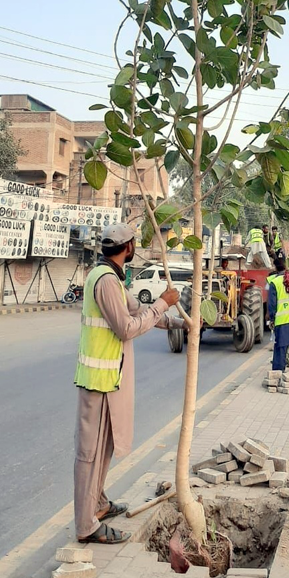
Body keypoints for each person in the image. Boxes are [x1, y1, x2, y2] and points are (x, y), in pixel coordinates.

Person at [73, 223, 182, 544]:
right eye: (133, 243)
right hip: (97, 380)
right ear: (128, 248)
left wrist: (179, 321)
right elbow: (126, 327)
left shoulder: (112, 279)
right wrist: (163, 302)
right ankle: (85, 525)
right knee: (89, 454)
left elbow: (140, 311)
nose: (135, 246)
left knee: (103, 448)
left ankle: (99, 504)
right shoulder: (106, 281)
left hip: (108, 380)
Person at [268, 257, 289, 372]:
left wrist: (272, 318)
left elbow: (272, 304)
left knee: (281, 346)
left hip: (283, 319)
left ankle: (279, 371)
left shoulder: (274, 282)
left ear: (275, 267)